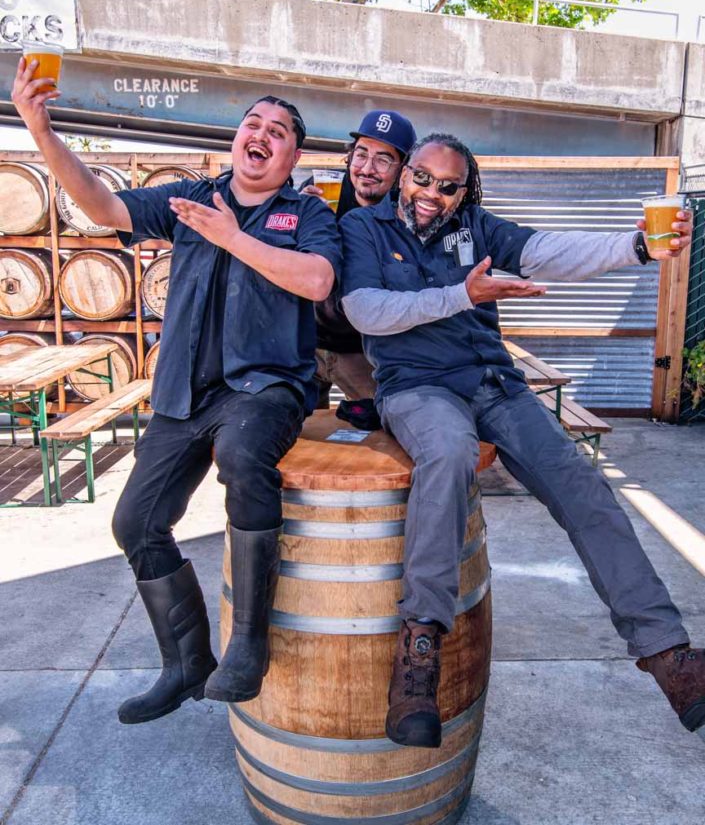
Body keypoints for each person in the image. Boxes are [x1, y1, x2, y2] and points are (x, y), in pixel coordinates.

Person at [340, 132, 704, 749]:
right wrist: (464, 294)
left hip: (493, 383)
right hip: (418, 387)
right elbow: (366, 312)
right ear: (404, 177)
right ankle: (420, 650)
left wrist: (639, 246)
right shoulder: (363, 229)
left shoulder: (477, 226)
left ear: (464, 190)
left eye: (448, 185)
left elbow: (546, 251)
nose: (432, 193)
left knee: (581, 482)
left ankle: (668, 654)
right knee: (449, 455)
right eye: (422, 178)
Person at [12, 58, 341, 724]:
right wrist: (40, 132)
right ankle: (187, 662)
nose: (261, 132)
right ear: (236, 138)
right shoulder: (191, 197)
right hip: (183, 390)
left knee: (246, 462)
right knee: (135, 522)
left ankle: (247, 641)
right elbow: (101, 209)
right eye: (253, 122)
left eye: (278, 130)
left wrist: (232, 236)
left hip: (263, 388)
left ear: (292, 154)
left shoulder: (306, 213)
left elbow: (316, 281)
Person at [302, 110, 416, 408]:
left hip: (364, 351)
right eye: (361, 154)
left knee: (391, 425)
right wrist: (304, 217)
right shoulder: (321, 190)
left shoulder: (407, 216)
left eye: (383, 159)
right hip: (305, 344)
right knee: (291, 436)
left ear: (404, 170)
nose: (367, 168)